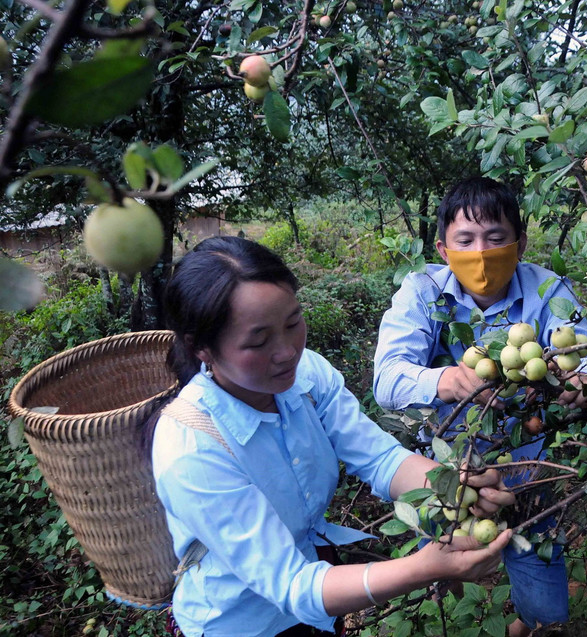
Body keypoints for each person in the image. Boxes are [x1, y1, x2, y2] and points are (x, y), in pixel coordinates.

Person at [153, 236, 515, 637]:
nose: (287, 351)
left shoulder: (306, 376)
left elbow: (380, 458)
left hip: (321, 599)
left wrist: (455, 485)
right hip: (238, 623)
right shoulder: (191, 450)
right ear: (202, 349)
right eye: (258, 341)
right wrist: (423, 568)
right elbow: (292, 583)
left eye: (293, 323)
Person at [373, 176, 587, 637]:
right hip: (449, 472)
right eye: (465, 240)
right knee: (440, 573)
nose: (481, 252)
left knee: (542, 597)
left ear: (520, 243)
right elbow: (387, 378)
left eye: (495, 237)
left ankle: (528, 623)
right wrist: (447, 379)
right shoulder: (423, 291)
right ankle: (449, 614)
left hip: (527, 467)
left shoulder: (547, 289)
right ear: (443, 250)